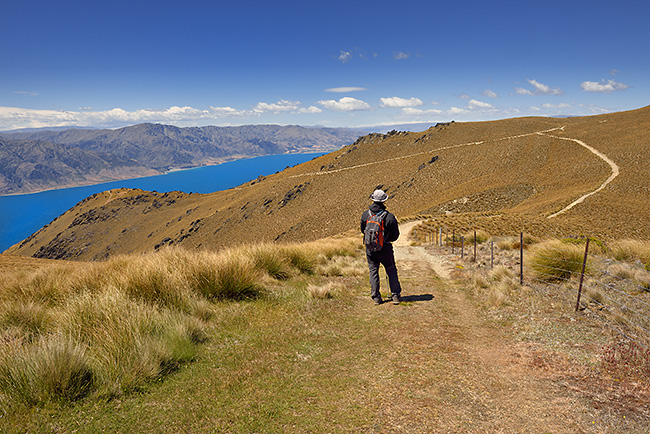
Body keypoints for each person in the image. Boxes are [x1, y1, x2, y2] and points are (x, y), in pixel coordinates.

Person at [360, 189, 403, 305]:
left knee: (373, 272)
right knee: (391, 271)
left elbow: (362, 230)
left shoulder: (365, 215)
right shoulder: (389, 217)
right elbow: (395, 235)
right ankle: (395, 296)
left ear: (373, 199)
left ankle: (376, 297)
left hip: (370, 250)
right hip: (385, 249)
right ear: (384, 200)